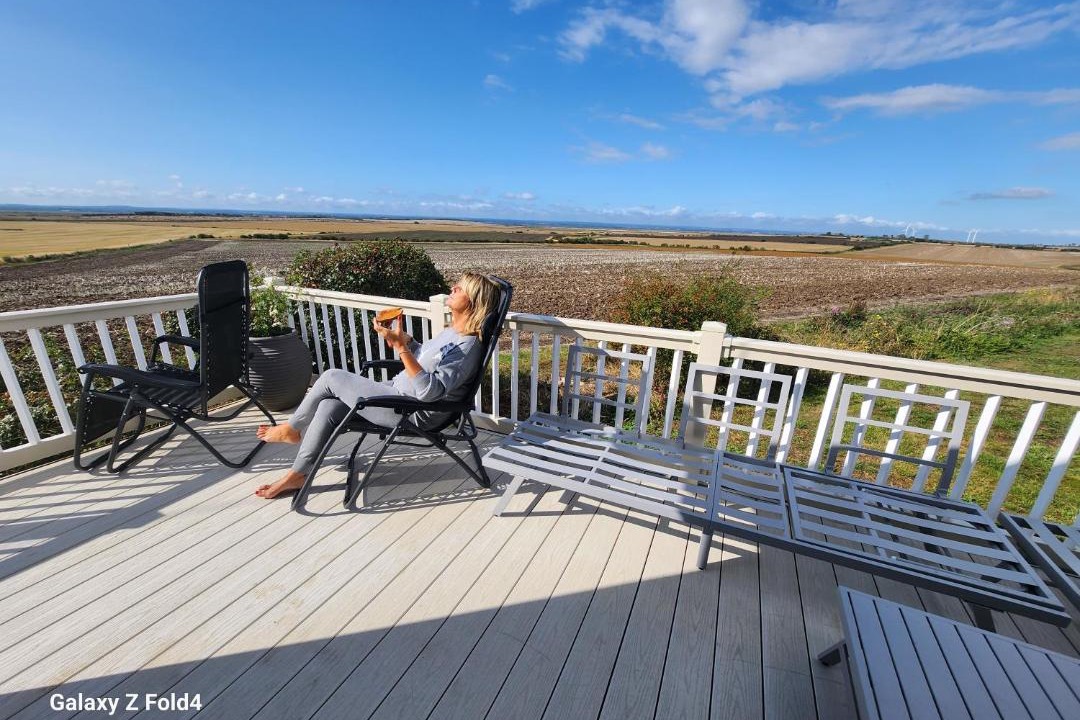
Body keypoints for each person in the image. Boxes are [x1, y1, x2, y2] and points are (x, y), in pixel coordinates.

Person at [254, 272, 502, 499]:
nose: (453, 288)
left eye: (460, 288)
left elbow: (431, 393)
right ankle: (297, 474)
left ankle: (292, 428)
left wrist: (401, 348)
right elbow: (424, 360)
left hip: (412, 412)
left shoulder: (467, 348)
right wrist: (406, 341)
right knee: (330, 405)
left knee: (330, 377)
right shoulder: (452, 332)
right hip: (398, 395)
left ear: (473, 301)